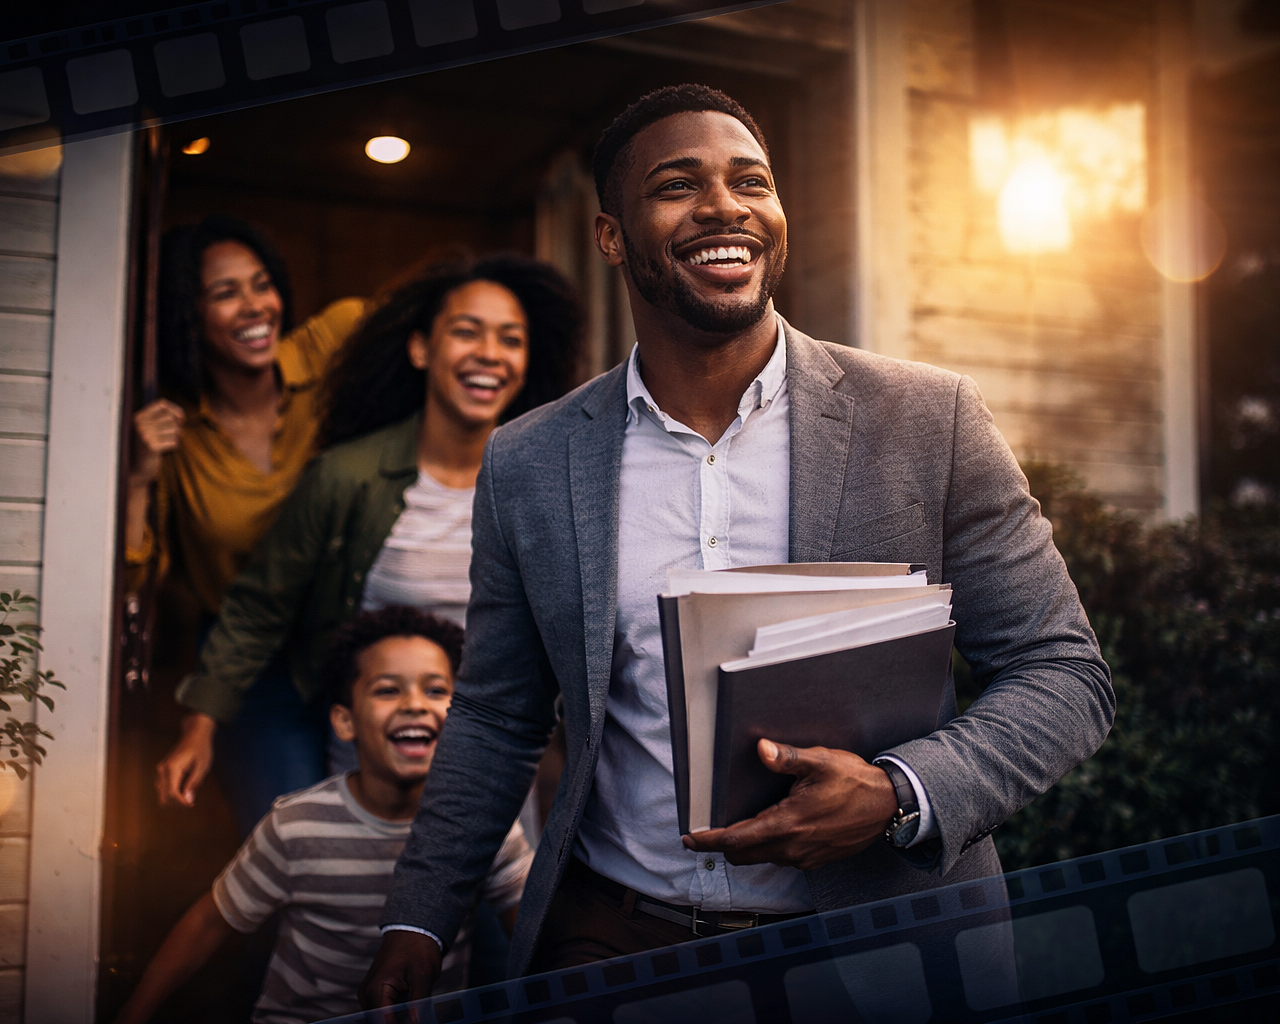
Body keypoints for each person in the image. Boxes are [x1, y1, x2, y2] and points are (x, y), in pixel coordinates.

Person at [361, 83, 1114, 1004]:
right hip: (614, 941)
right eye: (678, 185)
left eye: (751, 181)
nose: (725, 206)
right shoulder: (529, 460)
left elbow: (1062, 672)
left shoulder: (929, 419)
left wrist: (899, 791)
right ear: (611, 237)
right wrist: (417, 918)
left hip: (880, 952)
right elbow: (496, 715)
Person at [154, 253, 582, 837]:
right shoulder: (345, 477)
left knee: (494, 900)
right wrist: (199, 726)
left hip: (493, 772)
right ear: (420, 349)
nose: (489, 353)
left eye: (511, 339)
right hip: (371, 771)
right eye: (466, 331)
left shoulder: (546, 483)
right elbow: (258, 609)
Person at [112, 606, 533, 1024]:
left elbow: (535, 928)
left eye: (436, 691)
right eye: (388, 690)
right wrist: (132, 1015)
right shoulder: (296, 826)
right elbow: (208, 923)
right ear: (345, 722)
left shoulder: (483, 827)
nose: (415, 705)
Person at [128, 215, 365, 834]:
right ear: (188, 315)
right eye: (225, 293)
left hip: (359, 643)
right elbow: (133, 584)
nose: (255, 306)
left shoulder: (332, 345)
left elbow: (440, 336)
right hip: (248, 672)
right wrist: (138, 476)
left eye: (262, 284)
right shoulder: (178, 435)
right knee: (293, 844)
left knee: (394, 847)